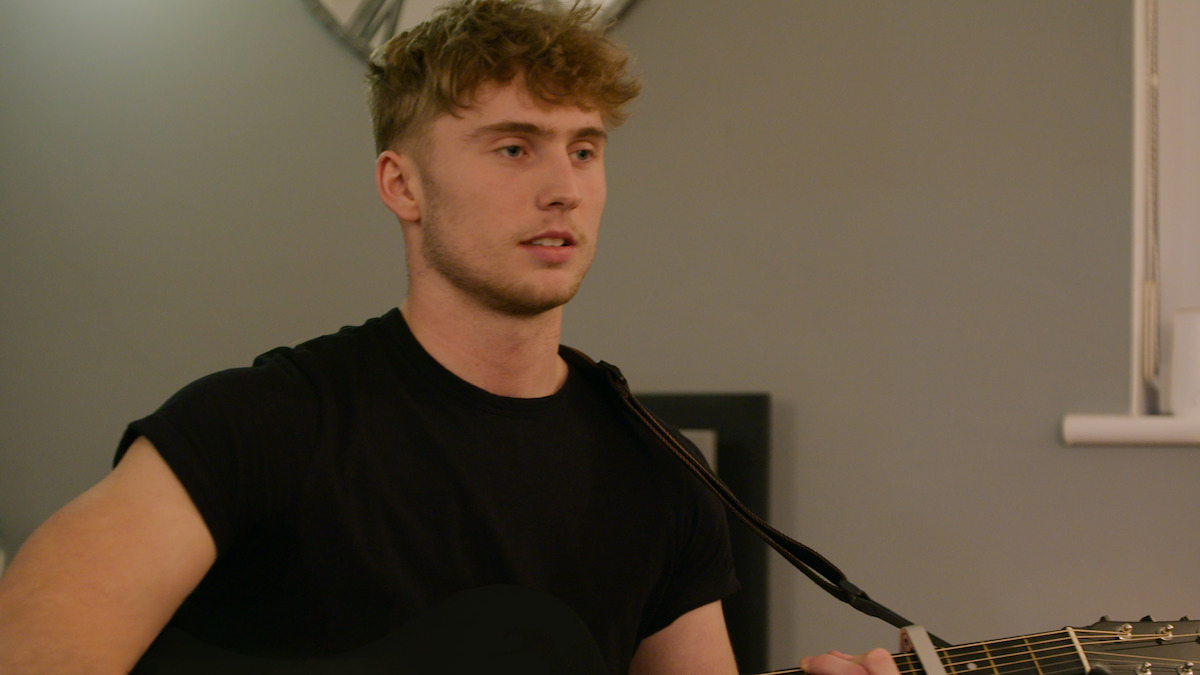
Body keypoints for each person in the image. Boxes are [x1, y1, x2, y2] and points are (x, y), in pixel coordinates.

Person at [0, 2, 902, 674]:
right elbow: (35, 642)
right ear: (402, 185)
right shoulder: (261, 424)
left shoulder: (658, 475)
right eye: (514, 148)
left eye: (583, 149)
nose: (564, 188)